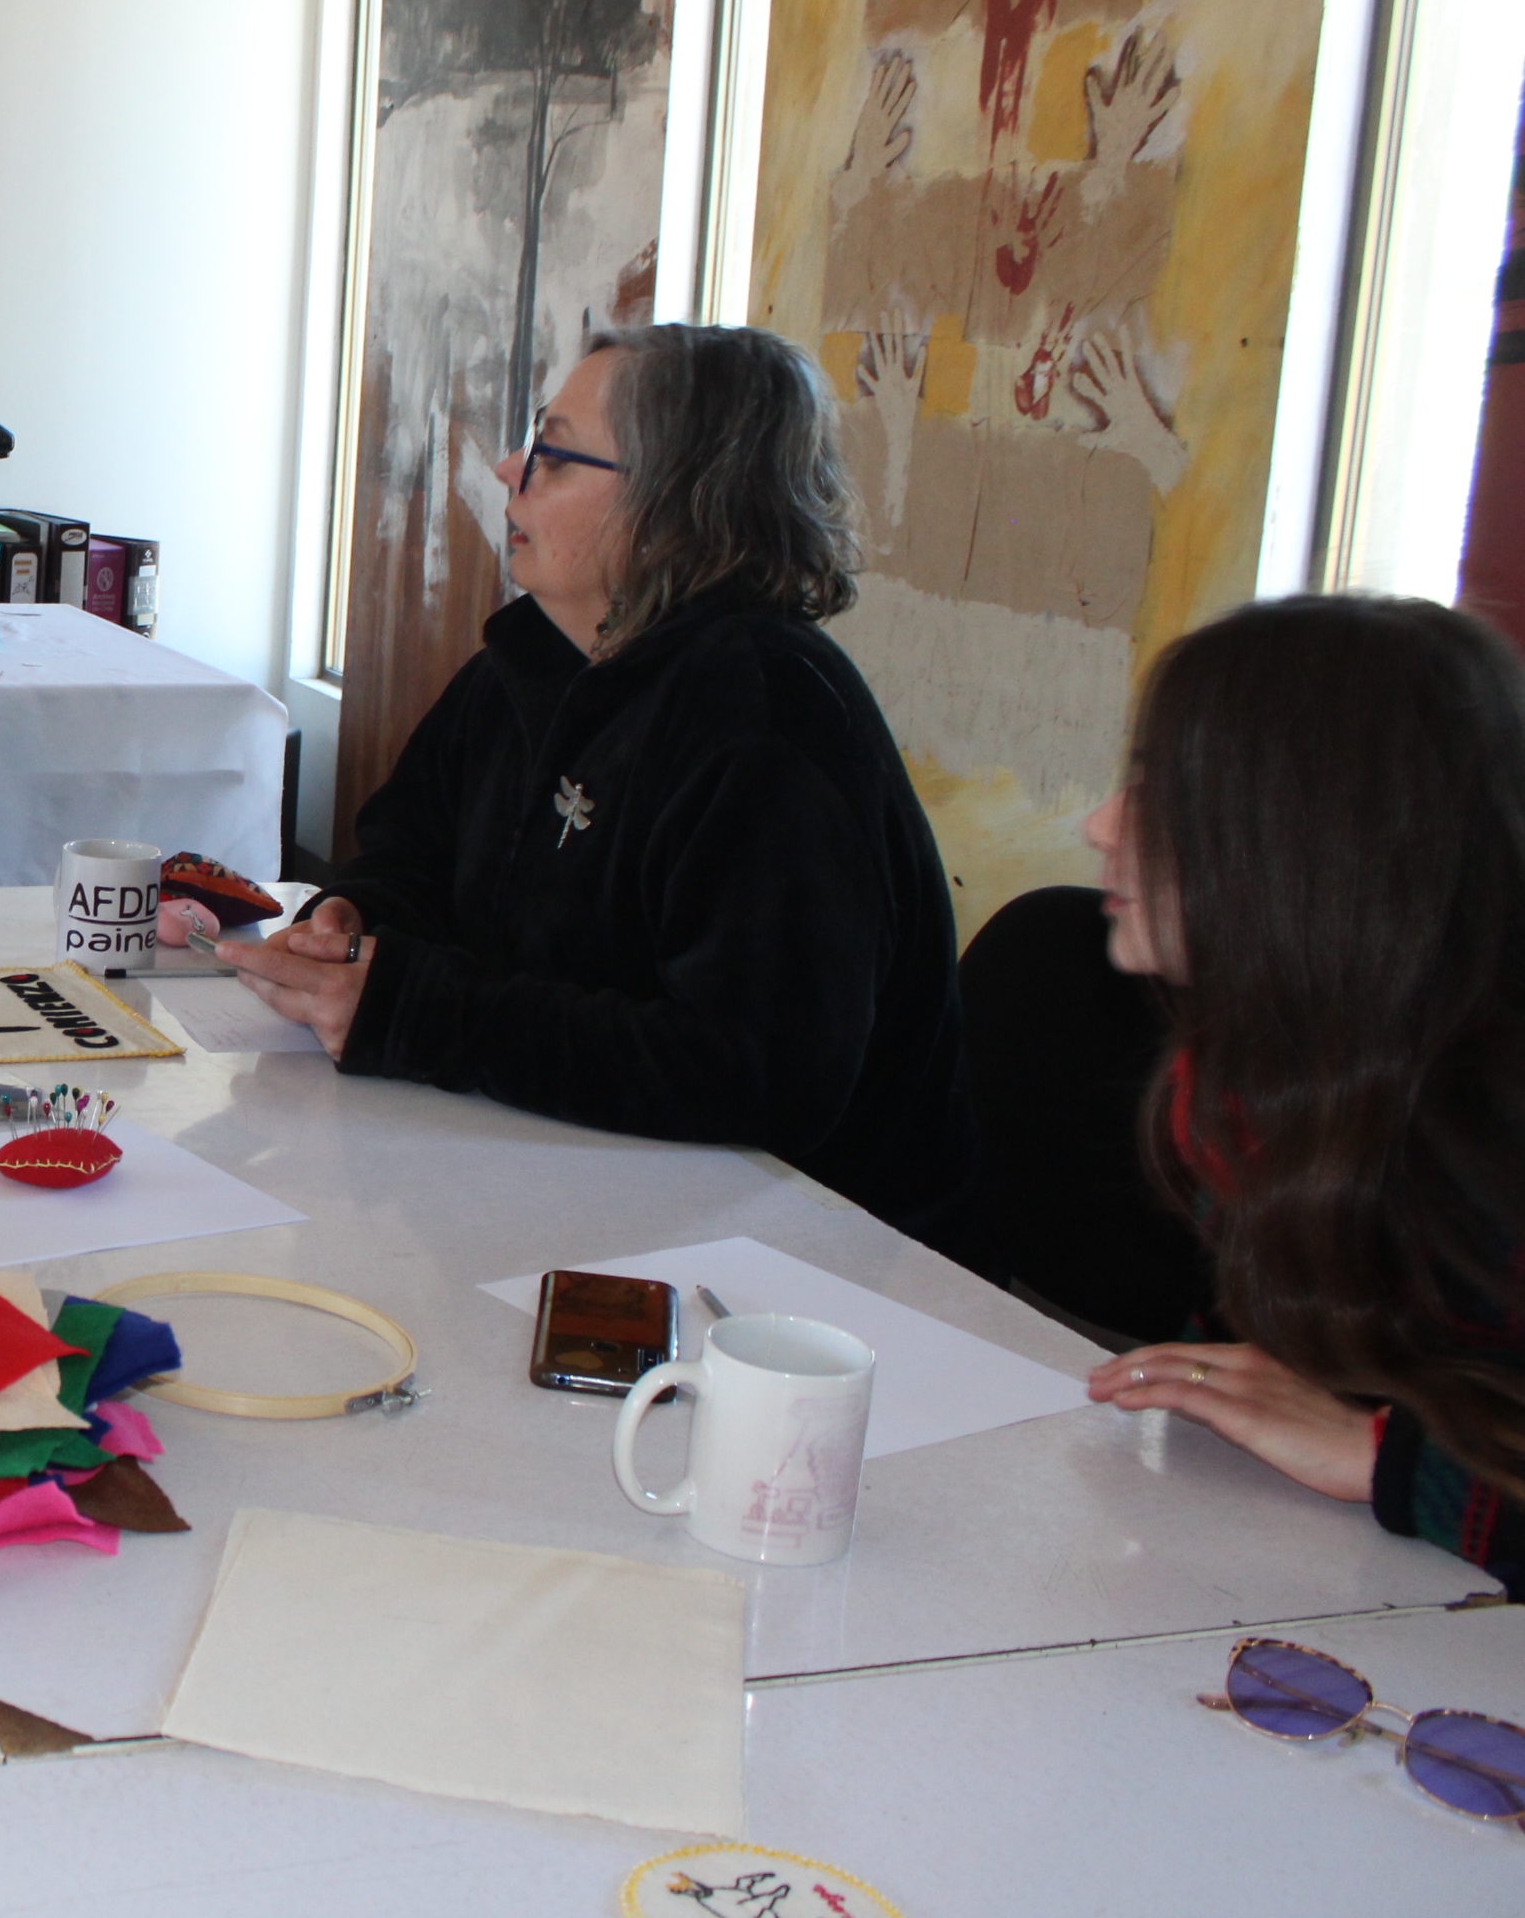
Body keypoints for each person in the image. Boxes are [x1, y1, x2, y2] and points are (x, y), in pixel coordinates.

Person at [224, 324, 971, 1238]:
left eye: (553, 454)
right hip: (559, 1172)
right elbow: (412, 853)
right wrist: (353, 924)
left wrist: (416, 1011)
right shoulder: (532, 658)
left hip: (798, 1252)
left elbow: (752, 1074)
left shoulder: (767, 720)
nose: (508, 469)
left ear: (673, 504)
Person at [1076, 596, 1525, 1593]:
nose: (1099, 824)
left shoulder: (1489, 1151)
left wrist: (1392, 1463)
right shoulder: (1262, 1088)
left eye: (1162, 792)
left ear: (1306, 845)